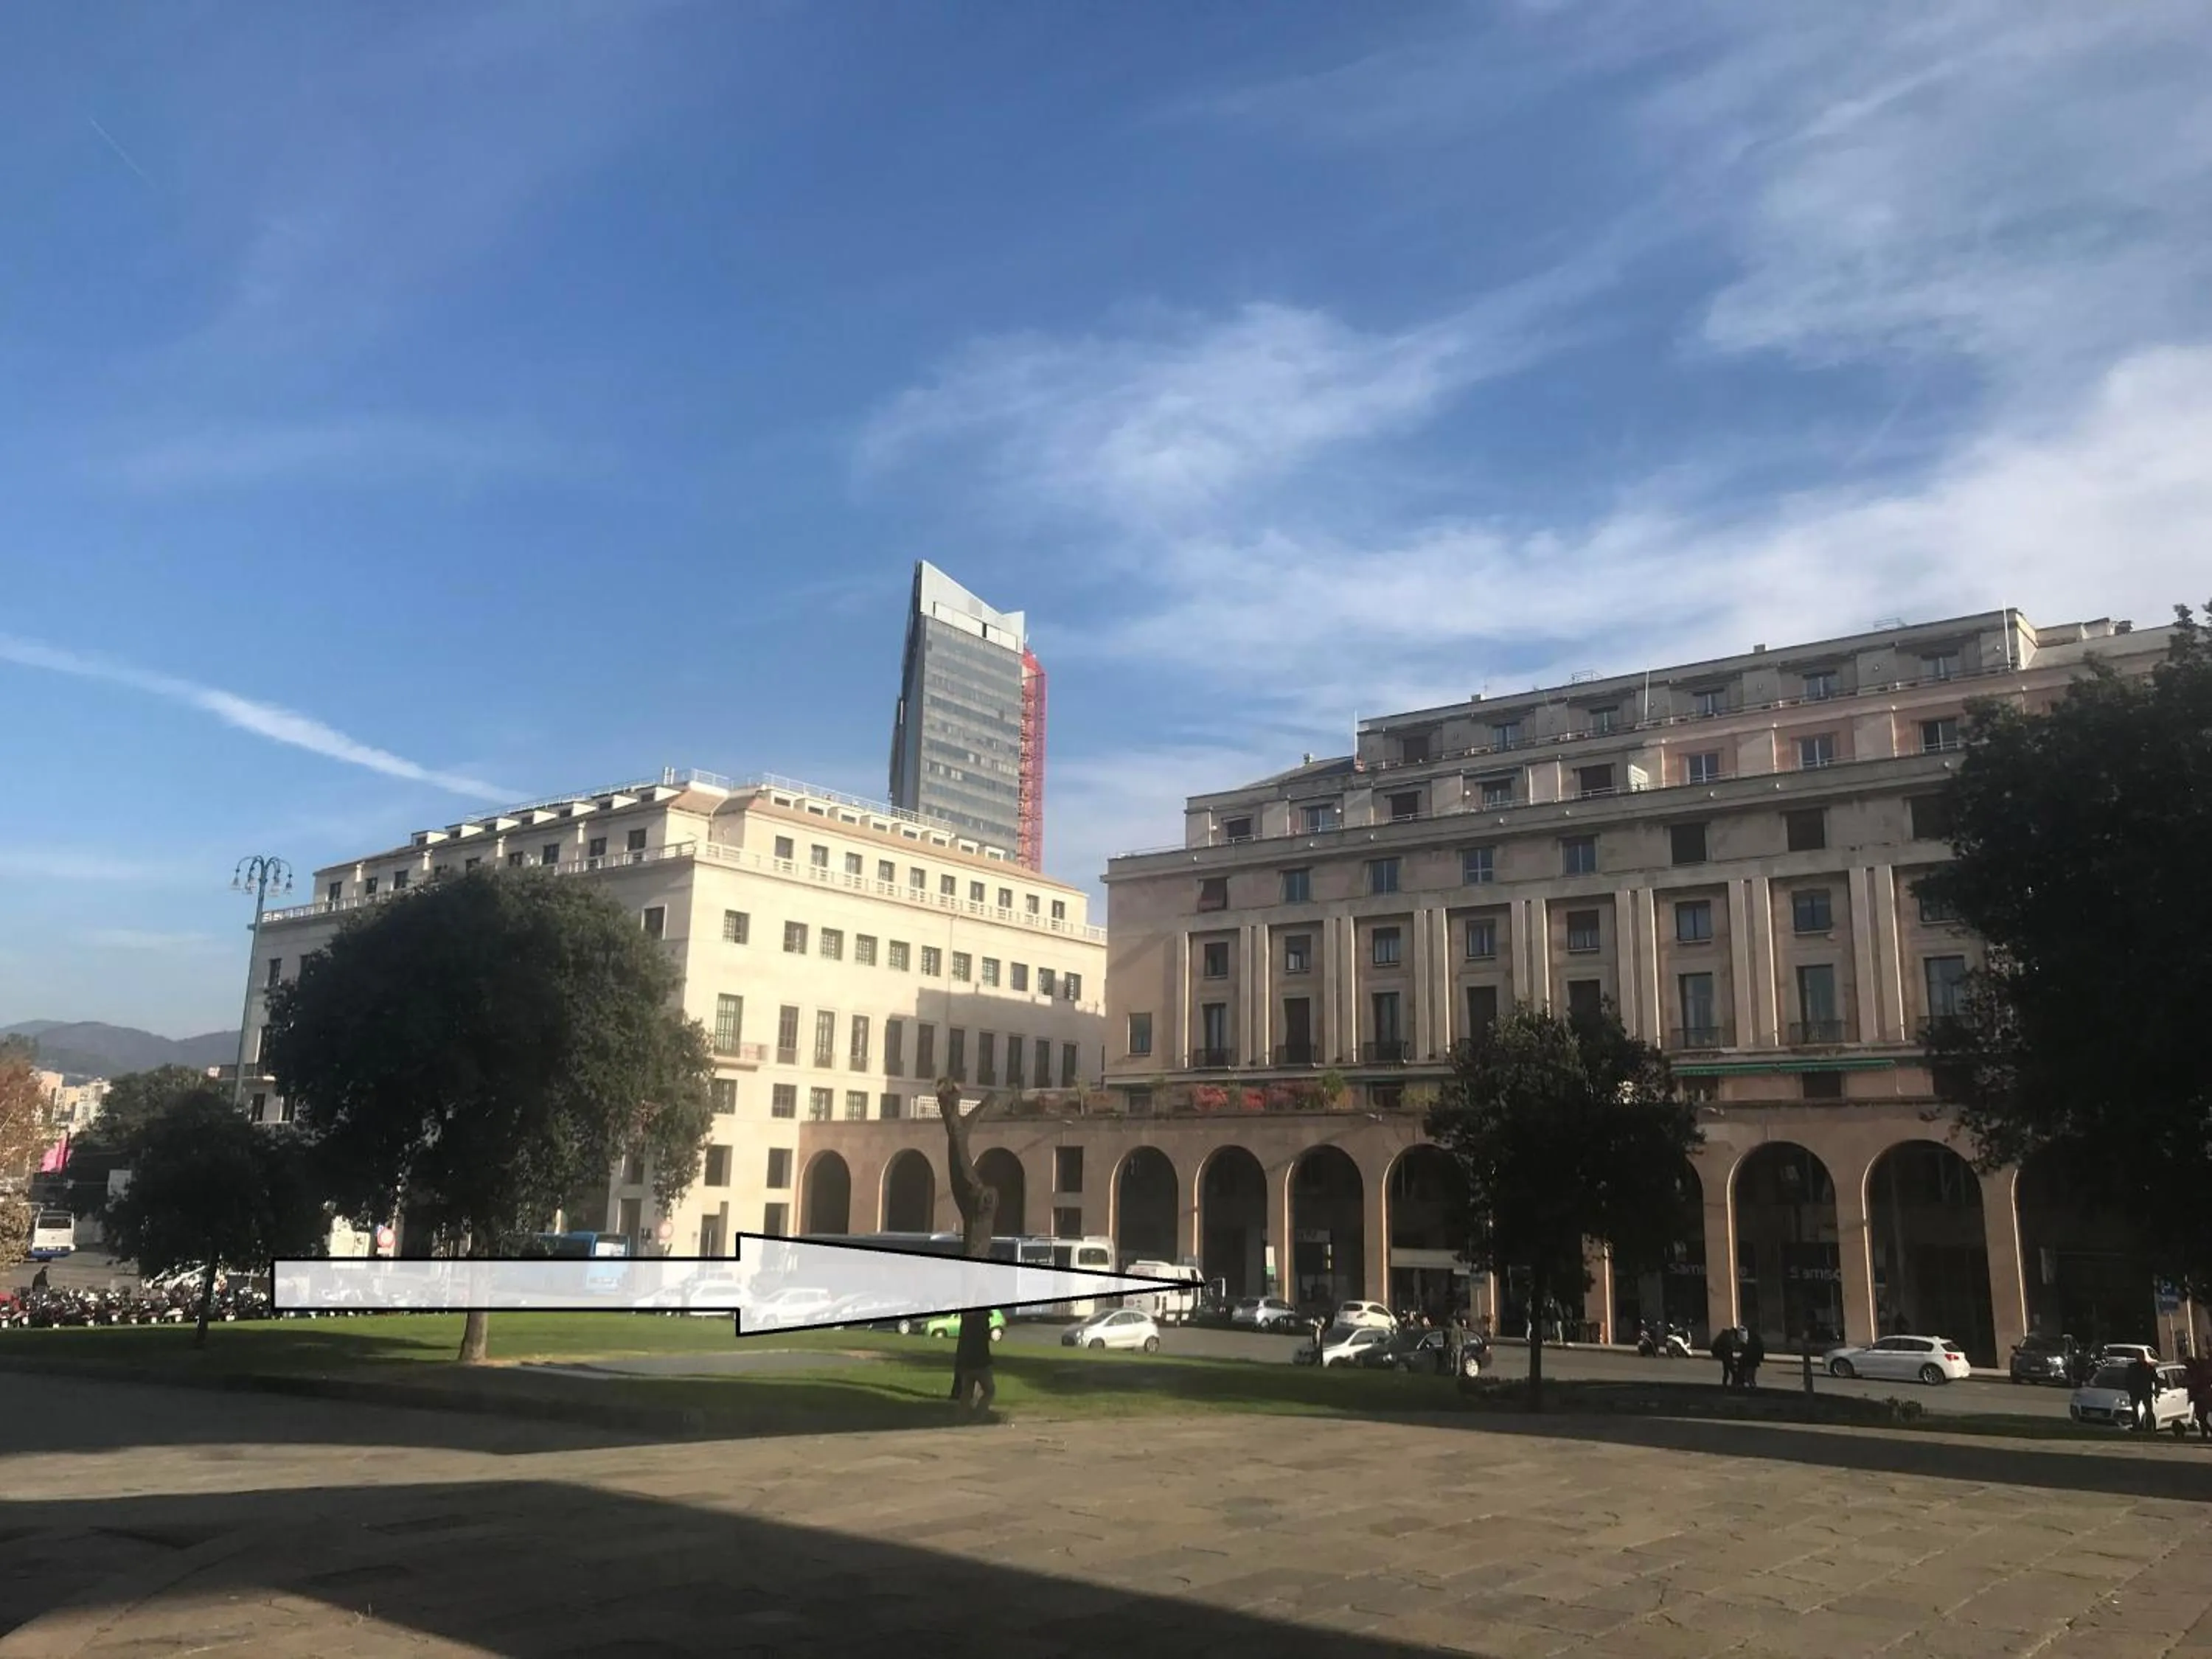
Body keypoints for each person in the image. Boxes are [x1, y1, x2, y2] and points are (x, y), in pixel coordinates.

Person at [951, 1309, 997, 1419]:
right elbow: (985, 1338)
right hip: (981, 1363)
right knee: (989, 1390)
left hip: (967, 1362)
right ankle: (979, 1414)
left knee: (967, 1391)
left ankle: (962, 1416)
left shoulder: (967, 1324)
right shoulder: (982, 1324)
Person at [2124, 1352, 2159, 1433]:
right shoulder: (2133, 1367)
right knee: (2135, 1409)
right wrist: (2129, 1389)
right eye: (2138, 1357)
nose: (2139, 1358)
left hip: (2145, 1391)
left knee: (2148, 1410)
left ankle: (2148, 1427)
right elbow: (2127, 1379)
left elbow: (2156, 1380)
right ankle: (2135, 1426)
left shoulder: (2149, 1368)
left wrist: (2157, 1390)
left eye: (2140, 1356)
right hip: (2135, 1391)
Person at [1711, 1324, 1739, 1388]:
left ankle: (1725, 1385)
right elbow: (1728, 1350)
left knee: (1727, 1371)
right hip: (1725, 1356)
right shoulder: (1726, 1338)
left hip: (1725, 1356)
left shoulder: (1725, 1336)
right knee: (1733, 1372)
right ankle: (1732, 1385)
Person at [1739, 1326, 1766, 1391]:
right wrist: (1761, 1357)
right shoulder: (1758, 1340)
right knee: (1752, 1371)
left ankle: (1749, 1382)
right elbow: (1761, 1349)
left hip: (1749, 1359)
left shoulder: (1748, 1340)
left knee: (1749, 1371)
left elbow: (1743, 1349)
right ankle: (1751, 1382)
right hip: (1754, 1359)